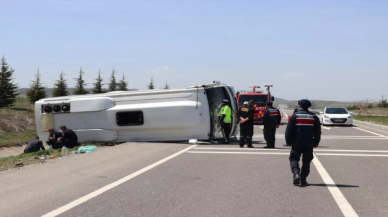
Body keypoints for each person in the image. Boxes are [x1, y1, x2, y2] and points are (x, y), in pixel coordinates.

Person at [285, 99, 321, 187]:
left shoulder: (294, 116)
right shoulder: (314, 117)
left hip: (297, 141)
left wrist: (288, 141)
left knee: (294, 158)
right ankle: (303, 179)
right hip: (309, 142)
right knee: (306, 161)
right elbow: (317, 131)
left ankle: (296, 173)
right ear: (309, 106)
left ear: (299, 105)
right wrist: (316, 142)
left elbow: (289, 131)